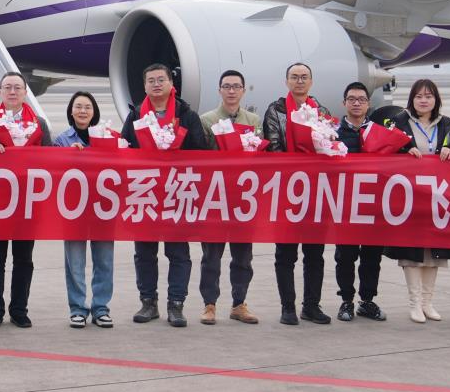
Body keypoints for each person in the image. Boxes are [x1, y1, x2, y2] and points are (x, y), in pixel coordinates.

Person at [120, 63, 215, 328]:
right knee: (144, 253)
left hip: (177, 193)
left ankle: (176, 304)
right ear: (144, 86)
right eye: (151, 80)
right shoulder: (136, 115)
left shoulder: (187, 115)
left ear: (171, 84)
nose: (156, 84)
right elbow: (124, 148)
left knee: (178, 253)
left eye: (161, 79)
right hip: (146, 193)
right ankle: (148, 302)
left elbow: (200, 152)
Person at [381, 78, 450, 323]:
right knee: (411, 252)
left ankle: (428, 302)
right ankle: (414, 303)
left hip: (439, 198)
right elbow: (385, 151)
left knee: (434, 252)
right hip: (410, 198)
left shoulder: (449, 125)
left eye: (428, 96)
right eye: (419, 96)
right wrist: (403, 151)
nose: (423, 100)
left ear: (436, 100)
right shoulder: (398, 122)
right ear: (412, 99)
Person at [261, 62, 332, 326]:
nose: (299, 81)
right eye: (294, 77)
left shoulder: (321, 111)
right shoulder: (276, 110)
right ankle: (287, 307)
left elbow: (328, 144)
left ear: (311, 82)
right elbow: (273, 147)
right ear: (287, 81)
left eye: (304, 77)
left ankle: (311, 306)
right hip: (286, 191)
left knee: (315, 254)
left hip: (316, 192)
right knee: (286, 254)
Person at [0, 71, 48, 329]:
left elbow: (51, 160)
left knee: (24, 259)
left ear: (25, 92)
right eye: (7, 87)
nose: (12, 92)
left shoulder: (39, 124)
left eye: (17, 87)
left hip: (27, 201)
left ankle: (19, 309)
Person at [196, 69, 260, 326]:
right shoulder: (207, 120)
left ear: (244, 90)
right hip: (215, 197)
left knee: (243, 256)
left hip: (244, 198)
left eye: (236, 86)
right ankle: (209, 304)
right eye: (226, 86)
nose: (231, 91)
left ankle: (239, 303)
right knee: (211, 255)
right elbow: (200, 157)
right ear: (219, 90)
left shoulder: (254, 121)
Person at [53, 91, 115, 329]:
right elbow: (52, 170)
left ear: (94, 112)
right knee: (75, 263)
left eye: (87, 107)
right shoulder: (61, 140)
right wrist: (67, 155)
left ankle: (101, 308)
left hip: (102, 209)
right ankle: (78, 308)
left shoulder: (106, 137)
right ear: (71, 110)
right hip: (74, 210)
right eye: (78, 106)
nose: (82, 111)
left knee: (104, 261)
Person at [332, 82, 391, 323]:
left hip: (373, 205)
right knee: (345, 256)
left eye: (361, 100)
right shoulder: (332, 134)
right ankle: (346, 300)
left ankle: (367, 301)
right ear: (344, 103)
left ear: (368, 104)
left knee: (372, 256)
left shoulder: (380, 133)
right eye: (352, 99)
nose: (356, 103)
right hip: (345, 205)